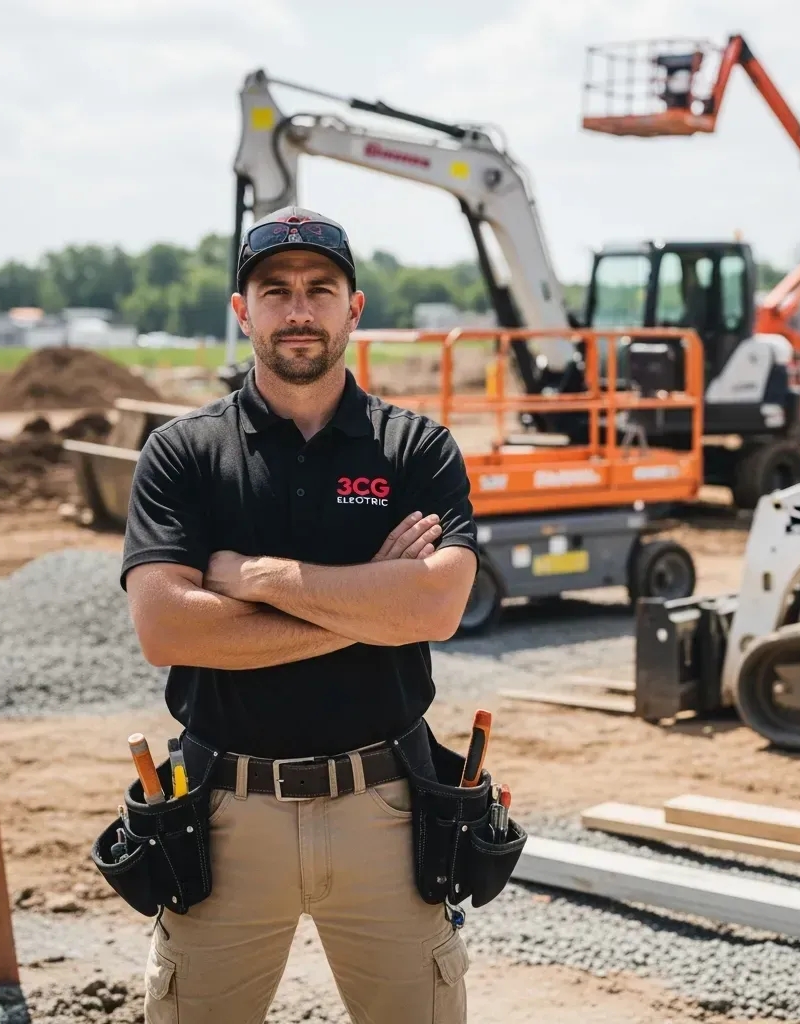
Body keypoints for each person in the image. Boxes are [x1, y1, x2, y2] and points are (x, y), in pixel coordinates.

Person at [121, 207, 480, 1023]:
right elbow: (166, 629)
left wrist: (260, 577)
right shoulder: (184, 453)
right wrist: (371, 602)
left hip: (385, 811)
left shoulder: (415, 449)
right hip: (224, 815)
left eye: (321, 289)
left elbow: (440, 604)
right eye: (274, 290)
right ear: (242, 311)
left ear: (354, 308)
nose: (298, 308)